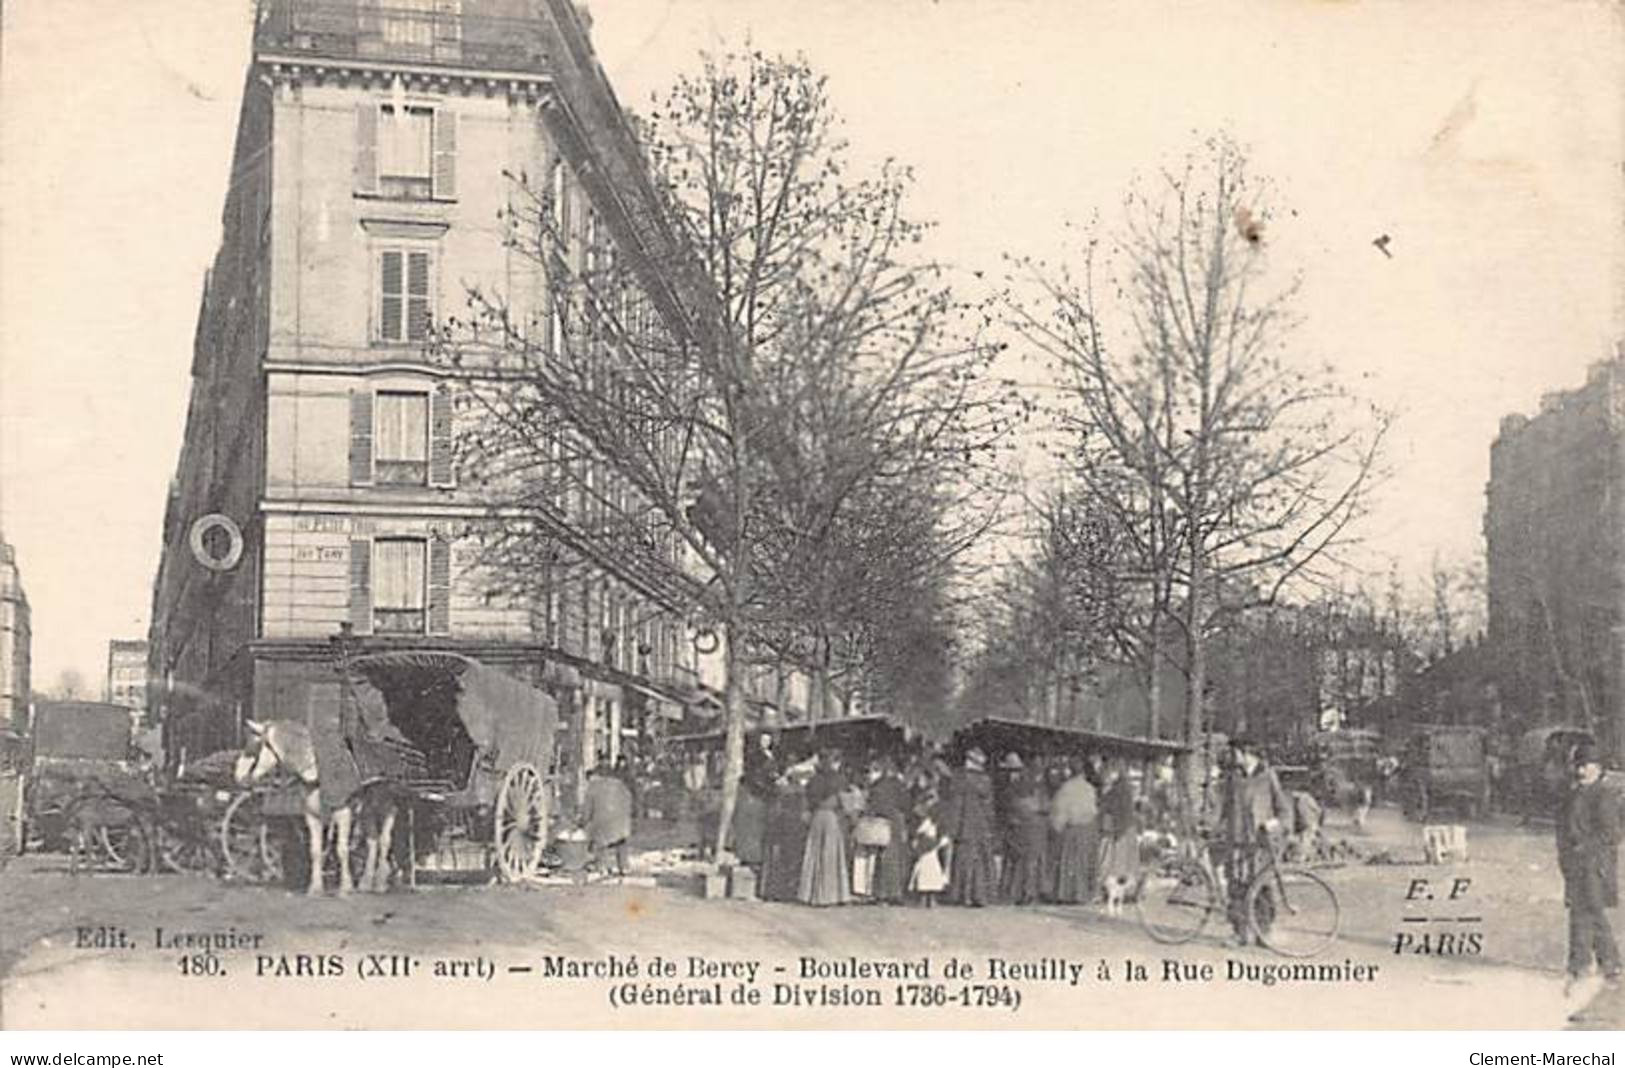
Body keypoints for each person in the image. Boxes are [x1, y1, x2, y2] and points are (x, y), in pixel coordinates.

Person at [1558, 742, 1622, 992]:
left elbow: (1612, 834)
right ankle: (1597, 965)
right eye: (1579, 766)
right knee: (1582, 911)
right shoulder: (1573, 794)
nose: (1582, 771)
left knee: (1589, 912)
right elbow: (1563, 830)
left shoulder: (1603, 795)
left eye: (1587, 766)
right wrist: (1565, 855)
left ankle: (1589, 965)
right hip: (1576, 864)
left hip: (1595, 865)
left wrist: (1584, 848)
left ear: (1599, 769)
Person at [1220, 736, 1295, 945]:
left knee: (1262, 888)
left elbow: (1284, 809)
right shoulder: (1233, 778)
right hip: (1237, 841)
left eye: (1235, 752)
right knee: (1236, 888)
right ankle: (1239, 933)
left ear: (1246, 753)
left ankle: (1264, 932)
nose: (1232, 757)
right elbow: (1225, 808)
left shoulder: (1268, 776)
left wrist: (1274, 823)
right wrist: (1217, 827)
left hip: (1261, 844)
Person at [943, 747, 997, 906]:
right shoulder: (986, 781)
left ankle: (962, 895)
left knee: (963, 861)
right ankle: (980, 896)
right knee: (980, 861)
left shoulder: (961, 780)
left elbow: (955, 806)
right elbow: (989, 808)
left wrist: (952, 828)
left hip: (965, 826)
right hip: (982, 827)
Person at [799, 751, 852, 906]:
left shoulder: (814, 780)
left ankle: (810, 894)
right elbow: (844, 801)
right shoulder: (839, 780)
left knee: (814, 854)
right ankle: (829, 895)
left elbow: (807, 801)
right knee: (830, 855)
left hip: (817, 817)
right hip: (831, 817)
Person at [1000, 754, 1049, 904]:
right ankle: (1030, 891)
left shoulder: (1014, 787)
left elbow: (1011, 806)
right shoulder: (1039, 787)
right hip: (1036, 827)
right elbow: (1045, 806)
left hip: (1022, 827)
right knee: (1031, 861)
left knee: (1021, 860)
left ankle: (1019, 892)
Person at [1050, 757, 1099, 904]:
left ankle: (1067, 893)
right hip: (1088, 828)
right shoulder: (1090, 788)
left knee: (1070, 862)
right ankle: (1082, 893)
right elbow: (1093, 810)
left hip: (1072, 829)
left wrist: (1057, 828)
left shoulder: (1066, 788)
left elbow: (1060, 811)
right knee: (1084, 862)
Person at [864, 757, 912, 904]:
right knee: (897, 858)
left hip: (881, 823)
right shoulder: (899, 785)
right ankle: (895, 892)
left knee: (880, 859)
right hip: (896, 822)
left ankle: (880, 893)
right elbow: (906, 804)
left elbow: (871, 804)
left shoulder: (877, 785)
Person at [1096, 758, 1142, 901]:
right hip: (1127, 828)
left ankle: (1118, 892)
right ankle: (1128, 891)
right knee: (1127, 862)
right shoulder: (1125, 787)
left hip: (1120, 829)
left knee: (1116, 862)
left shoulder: (1117, 789)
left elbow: (1105, 805)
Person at [580, 759, 634, 876]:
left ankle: (602, 867)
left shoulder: (592, 788)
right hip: (621, 820)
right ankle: (624, 867)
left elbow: (587, 811)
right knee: (621, 843)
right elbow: (628, 798)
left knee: (600, 843)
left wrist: (582, 822)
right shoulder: (619, 784)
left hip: (603, 823)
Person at [759, 774, 808, 902]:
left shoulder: (782, 792)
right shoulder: (798, 794)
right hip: (791, 827)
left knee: (780, 860)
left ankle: (776, 891)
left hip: (784, 827)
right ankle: (786, 891)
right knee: (790, 860)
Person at [909, 794, 949, 907]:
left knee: (929, 873)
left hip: (930, 850)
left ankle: (929, 897)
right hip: (927, 849)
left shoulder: (934, 821)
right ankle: (926, 897)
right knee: (927, 872)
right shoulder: (923, 820)